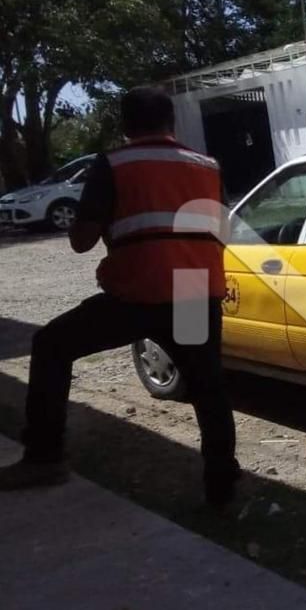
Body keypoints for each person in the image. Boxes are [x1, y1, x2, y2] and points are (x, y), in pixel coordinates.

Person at [0, 86, 240, 508]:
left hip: (135, 291)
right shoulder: (206, 165)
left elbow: (82, 241)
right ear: (171, 123)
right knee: (208, 387)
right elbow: (222, 231)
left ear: (126, 125)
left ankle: (45, 458)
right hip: (191, 289)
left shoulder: (114, 163)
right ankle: (222, 491)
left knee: (51, 345)